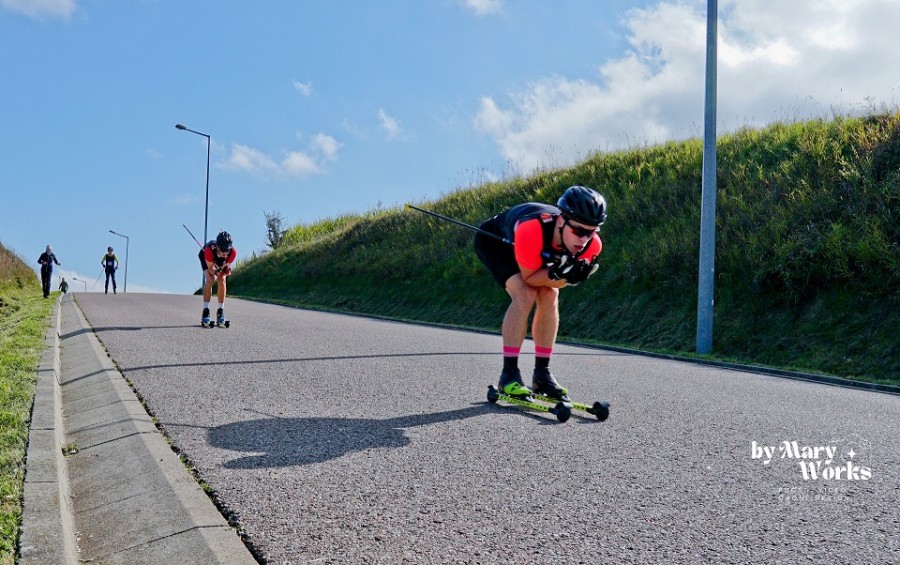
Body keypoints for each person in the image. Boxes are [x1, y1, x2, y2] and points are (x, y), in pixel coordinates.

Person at [473, 185, 607, 400]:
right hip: (496, 241)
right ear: (561, 221)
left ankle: (542, 374)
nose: (583, 240)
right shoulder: (532, 228)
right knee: (525, 293)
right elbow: (530, 277)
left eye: (590, 232)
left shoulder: (593, 246)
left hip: (532, 247)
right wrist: (558, 274)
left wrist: (567, 278)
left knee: (550, 295)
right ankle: (509, 374)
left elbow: (555, 284)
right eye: (578, 231)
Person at [198, 230, 237, 325]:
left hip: (219, 261)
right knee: (210, 279)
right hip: (206, 257)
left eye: (227, 250)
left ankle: (220, 311)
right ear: (218, 247)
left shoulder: (232, 252)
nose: (225, 253)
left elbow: (225, 267)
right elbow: (211, 269)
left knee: (222, 279)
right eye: (223, 250)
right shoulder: (209, 250)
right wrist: (216, 272)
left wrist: (225, 270)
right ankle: (205, 311)